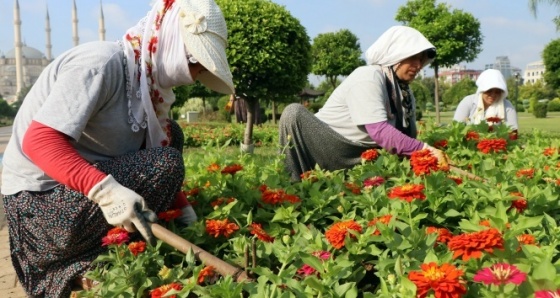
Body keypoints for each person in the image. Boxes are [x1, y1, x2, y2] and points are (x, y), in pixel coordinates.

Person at [0, 0, 234, 296]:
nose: (195, 74)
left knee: (170, 135)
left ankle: (114, 238)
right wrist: (105, 192)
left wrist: (185, 212)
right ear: (172, 43)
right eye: (195, 62)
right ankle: (74, 259)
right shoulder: (101, 63)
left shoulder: (149, 91)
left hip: (73, 193)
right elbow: (40, 141)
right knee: (166, 162)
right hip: (41, 206)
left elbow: (155, 147)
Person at [279, 26, 449, 181]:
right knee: (293, 112)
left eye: (421, 60)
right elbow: (379, 131)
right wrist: (426, 149)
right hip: (330, 145)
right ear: (395, 56)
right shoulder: (369, 76)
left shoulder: (403, 92)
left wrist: (426, 159)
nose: (418, 65)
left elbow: (408, 138)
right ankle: (291, 183)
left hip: (365, 154)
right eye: (413, 58)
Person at [453, 69, 518, 137]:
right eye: (489, 91)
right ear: (482, 90)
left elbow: (514, 134)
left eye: (497, 91)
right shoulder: (468, 102)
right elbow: (456, 128)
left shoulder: (507, 106)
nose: (493, 95)